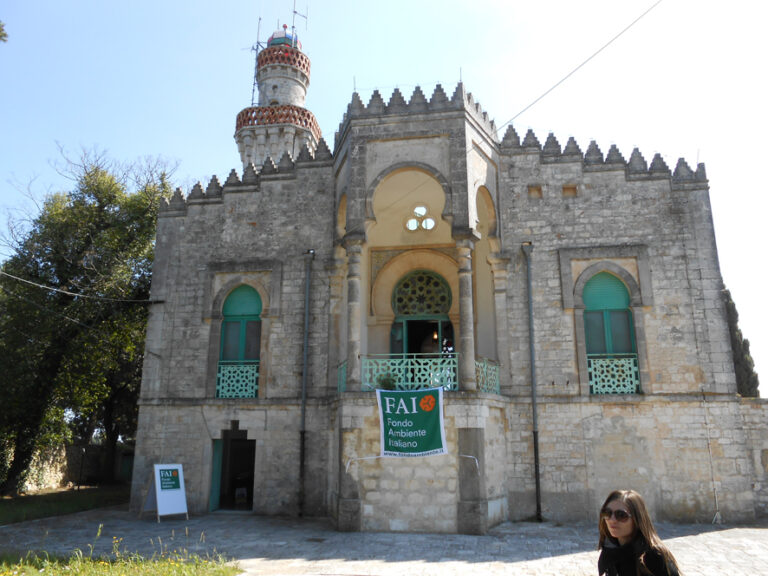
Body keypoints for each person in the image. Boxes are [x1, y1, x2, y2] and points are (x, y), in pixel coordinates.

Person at [598, 489, 681, 576]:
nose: (612, 520)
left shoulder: (653, 556)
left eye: (621, 515)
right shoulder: (609, 551)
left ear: (637, 519)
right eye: (607, 513)